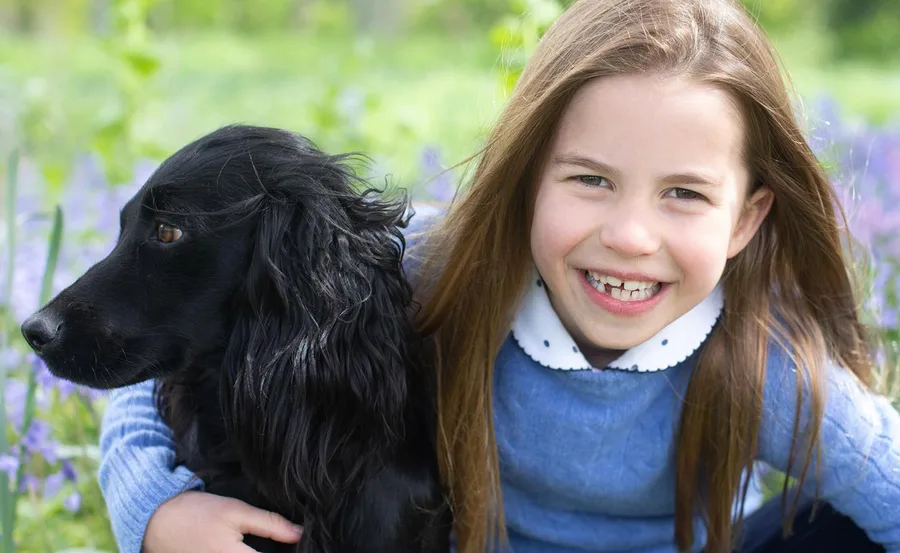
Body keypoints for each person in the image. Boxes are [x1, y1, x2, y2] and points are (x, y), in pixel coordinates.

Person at [97, 0, 900, 552]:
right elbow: (172, 334)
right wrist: (155, 509)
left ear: (747, 219)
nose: (628, 236)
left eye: (684, 194)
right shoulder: (441, 271)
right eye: (590, 179)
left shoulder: (766, 367)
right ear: (526, 180)